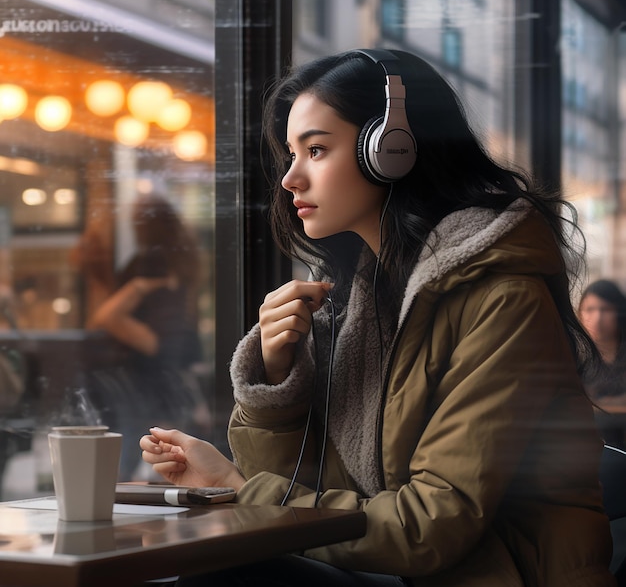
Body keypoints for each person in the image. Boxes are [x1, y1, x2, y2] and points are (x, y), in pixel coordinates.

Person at [140, 49, 615, 586]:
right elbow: (305, 490)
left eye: (316, 150)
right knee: (218, 565)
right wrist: (277, 382)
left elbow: (430, 527)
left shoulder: (501, 298)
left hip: (500, 577)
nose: (290, 179)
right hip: (401, 574)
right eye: (290, 155)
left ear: (391, 151)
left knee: (222, 574)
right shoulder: (358, 300)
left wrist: (235, 485)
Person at [89, 192, 203, 480]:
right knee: (156, 450)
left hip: (153, 347)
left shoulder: (151, 260)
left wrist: (138, 286)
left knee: (132, 450)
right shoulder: (183, 256)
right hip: (169, 351)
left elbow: (105, 317)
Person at [579, 279, 626, 449]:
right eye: (590, 309)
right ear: (580, 313)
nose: (597, 318)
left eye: (605, 309)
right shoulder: (575, 356)